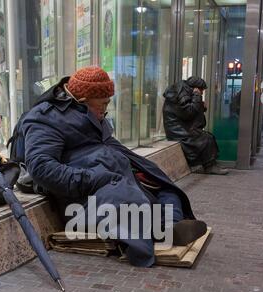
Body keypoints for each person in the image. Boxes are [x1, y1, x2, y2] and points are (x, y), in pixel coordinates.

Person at [22, 66, 207, 268]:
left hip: (114, 177)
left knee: (164, 187)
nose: (105, 110)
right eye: (102, 105)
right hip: (85, 194)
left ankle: (170, 227)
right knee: (129, 201)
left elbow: (106, 145)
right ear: (82, 101)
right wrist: (96, 178)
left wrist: (138, 169)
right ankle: (154, 234)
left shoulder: (90, 112)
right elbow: (41, 168)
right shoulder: (46, 118)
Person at [163, 76, 228, 175]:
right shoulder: (182, 94)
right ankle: (209, 166)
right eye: (201, 90)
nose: (202, 93)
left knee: (208, 137)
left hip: (181, 127)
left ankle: (210, 164)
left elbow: (188, 110)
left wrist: (201, 105)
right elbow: (189, 113)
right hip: (177, 130)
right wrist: (197, 97)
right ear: (195, 88)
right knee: (206, 139)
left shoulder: (183, 92)